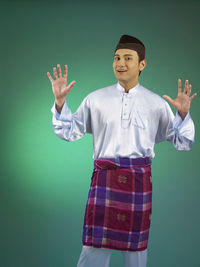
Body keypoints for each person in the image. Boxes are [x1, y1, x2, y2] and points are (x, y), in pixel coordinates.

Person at [47, 34, 197, 267]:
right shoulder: (95, 99)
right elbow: (68, 131)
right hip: (104, 179)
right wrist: (59, 103)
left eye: (128, 57)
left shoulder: (156, 103)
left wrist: (183, 115)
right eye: (117, 57)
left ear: (142, 64)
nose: (121, 63)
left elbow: (183, 142)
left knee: (136, 254)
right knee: (93, 250)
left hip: (138, 182)